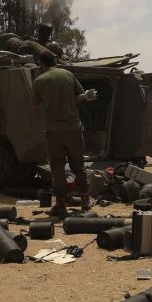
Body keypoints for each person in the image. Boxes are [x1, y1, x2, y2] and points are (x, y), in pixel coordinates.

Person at [29, 51, 97, 217]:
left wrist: (49, 102)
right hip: (73, 128)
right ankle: (85, 202)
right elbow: (79, 97)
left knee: (57, 168)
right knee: (78, 165)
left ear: (42, 64)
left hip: (53, 131)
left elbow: (33, 106)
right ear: (55, 61)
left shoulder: (39, 81)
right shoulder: (68, 74)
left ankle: (60, 204)